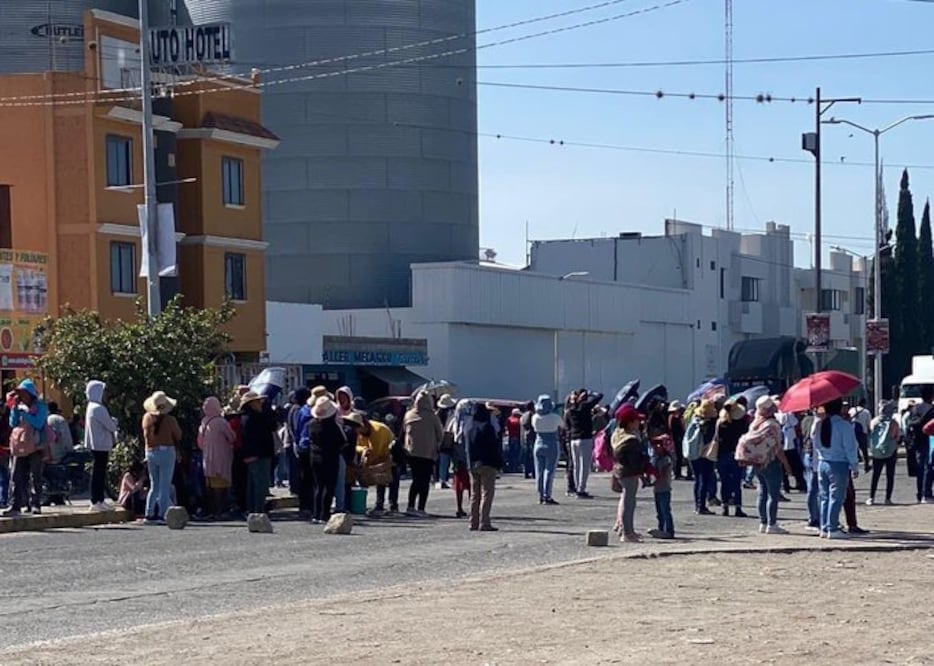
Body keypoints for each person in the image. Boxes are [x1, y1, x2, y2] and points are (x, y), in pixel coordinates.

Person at [741, 396, 793, 534]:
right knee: (773, 494)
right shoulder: (772, 425)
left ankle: (763, 522)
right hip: (771, 461)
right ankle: (772, 524)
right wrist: (786, 464)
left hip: (757, 461)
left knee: (762, 492)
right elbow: (777, 448)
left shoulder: (754, 423)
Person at [3, 379, 49, 516]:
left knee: (35, 476)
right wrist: (14, 410)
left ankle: (35, 504)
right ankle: (15, 505)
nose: (21, 396)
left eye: (24, 393)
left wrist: (25, 414)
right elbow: (13, 423)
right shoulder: (19, 405)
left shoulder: (40, 406)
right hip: (20, 446)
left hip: (35, 445)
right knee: (16, 475)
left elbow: (39, 423)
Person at [815, 398, 860, 539]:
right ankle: (833, 527)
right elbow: (850, 447)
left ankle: (824, 526)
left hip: (822, 462)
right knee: (837, 497)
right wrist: (854, 465)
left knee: (824, 497)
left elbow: (816, 444)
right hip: (838, 463)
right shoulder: (844, 425)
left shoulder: (820, 424)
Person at [303, 396, 347, 524]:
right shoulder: (333, 426)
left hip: (314, 457)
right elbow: (343, 441)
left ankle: (316, 514)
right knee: (329, 486)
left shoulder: (311, 425)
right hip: (330, 457)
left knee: (318, 486)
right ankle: (325, 514)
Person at [141, 391, 182, 524]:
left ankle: (149, 512)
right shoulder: (170, 420)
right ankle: (162, 513)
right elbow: (178, 435)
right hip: (167, 452)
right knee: (165, 485)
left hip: (151, 452)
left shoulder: (146, 418)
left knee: (154, 485)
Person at [344, 411, 394, 517]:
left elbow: (376, 453)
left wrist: (365, 469)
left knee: (383, 478)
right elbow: (357, 446)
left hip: (386, 452)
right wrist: (363, 450)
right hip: (371, 451)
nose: (355, 430)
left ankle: (382, 505)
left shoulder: (377, 431)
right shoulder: (359, 432)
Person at [611, 404, 647, 543]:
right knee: (629, 502)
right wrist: (643, 469)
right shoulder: (631, 440)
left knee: (627, 500)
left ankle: (628, 530)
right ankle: (627, 533)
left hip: (620, 470)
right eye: (637, 420)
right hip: (629, 472)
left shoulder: (617, 434)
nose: (639, 422)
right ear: (630, 422)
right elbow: (635, 460)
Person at [403, 392, 442, 517]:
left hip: (412, 452)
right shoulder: (432, 416)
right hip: (427, 453)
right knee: (424, 481)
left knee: (415, 480)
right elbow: (440, 434)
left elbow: (404, 430)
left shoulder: (409, 415)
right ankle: (421, 508)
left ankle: (410, 506)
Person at [197, 396, 237, 519]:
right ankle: (220, 511)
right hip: (221, 457)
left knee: (210, 485)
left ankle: (212, 510)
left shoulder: (204, 422)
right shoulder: (221, 422)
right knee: (220, 485)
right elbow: (231, 437)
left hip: (207, 457)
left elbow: (199, 442)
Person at [466, 403, 503, 532]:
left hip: (473, 464)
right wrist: (498, 463)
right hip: (487, 463)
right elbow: (493, 447)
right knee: (487, 493)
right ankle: (485, 521)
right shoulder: (488, 428)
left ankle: (473, 522)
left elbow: (468, 449)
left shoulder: (470, 429)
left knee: (475, 495)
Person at [564, 388, 604, 499]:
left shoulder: (570, 409)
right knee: (584, 465)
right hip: (585, 438)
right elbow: (599, 395)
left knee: (576, 465)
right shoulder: (585, 407)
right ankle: (581, 489)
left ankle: (577, 488)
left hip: (573, 439)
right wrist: (591, 392)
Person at [84, 380, 118, 512]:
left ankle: (99, 499)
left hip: (96, 444)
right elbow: (111, 425)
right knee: (99, 473)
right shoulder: (98, 408)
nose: (106, 395)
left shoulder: (91, 406)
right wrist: (114, 421)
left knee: (99, 473)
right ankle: (96, 500)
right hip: (101, 444)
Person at [716, 400, 748, 518]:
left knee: (725, 482)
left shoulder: (721, 423)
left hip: (722, 454)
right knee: (736, 482)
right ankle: (738, 507)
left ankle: (725, 506)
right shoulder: (740, 424)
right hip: (736, 454)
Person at [687, 399, 718, 515]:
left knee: (697, 480)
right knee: (704, 480)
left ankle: (697, 505)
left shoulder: (694, 421)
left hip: (694, 453)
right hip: (706, 454)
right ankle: (702, 506)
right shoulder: (710, 424)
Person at [867, 401, 900, 506]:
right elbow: (897, 436)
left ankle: (871, 497)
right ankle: (888, 498)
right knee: (890, 475)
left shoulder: (874, 421)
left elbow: (870, 434)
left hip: (877, 451)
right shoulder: (894, 422)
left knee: (875, 475)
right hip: (891, 451)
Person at [531, 394, 562, 505]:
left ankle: (540, 494)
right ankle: (547, 495)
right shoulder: (555, 417)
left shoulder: (535, 417)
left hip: (538, 442)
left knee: (539, 470)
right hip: (551, 442)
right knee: (549, 470)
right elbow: (562, 426)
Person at [906, 386, 934, 503]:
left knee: (920, 468)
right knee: (929, 467)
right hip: (929, 440)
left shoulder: (915, 409)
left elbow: (908, 424)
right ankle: (926, 493)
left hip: (916, 441)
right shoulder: (932, 409)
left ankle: (919, 493)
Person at [649, 434, 675, 539]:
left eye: (658, 445)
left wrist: (652, 481)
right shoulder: (655, 458)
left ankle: (669, 530)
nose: (655, 448)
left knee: (665, 510)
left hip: (664, 488)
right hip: (657, 489)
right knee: (659, 512)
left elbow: (662, 474)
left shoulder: (666, 459)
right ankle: (661, 528)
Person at [334, 386, 355, 512]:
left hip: (352, 449)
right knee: (340, 479)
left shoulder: (354, 413)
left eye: (344, 398)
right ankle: (340, 505)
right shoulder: (335, 411)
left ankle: (348, 504)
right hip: (340, 449)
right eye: (340, 398)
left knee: (349, 479)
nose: (342, 400)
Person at [435, 394, 456, 489]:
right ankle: (452, 479)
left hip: (439, 438)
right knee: (453, 459)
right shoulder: (452, 414)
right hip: (450, 436)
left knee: (442, 460)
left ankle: (441, 479)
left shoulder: (437, 414)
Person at [849, 398, 873, 473]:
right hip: (862, 433)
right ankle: (866, 466)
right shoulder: (866, 412)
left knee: (853, 451)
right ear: (864, 404)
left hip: (852, 433)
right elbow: (869, 424)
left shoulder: (851, 410)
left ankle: (853, 468)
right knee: (864, 450)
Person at [667, 401, 688, 480]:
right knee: (677, 456)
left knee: (677, 456)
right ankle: (677, 473)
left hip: (676, 439)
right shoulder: (674, 418)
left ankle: (677, 472)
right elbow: (676, 430)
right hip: (676, 439)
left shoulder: (671, 417)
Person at [520, 401, 536, 480]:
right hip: (531, 436)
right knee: (533, 456)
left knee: (526, 455)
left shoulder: (523, 415)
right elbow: (532, 425)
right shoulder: (531, 414)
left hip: (525, 436)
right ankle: (533, 472)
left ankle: (526, 472)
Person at [505, 408, 522, 475]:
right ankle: (515, 467)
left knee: (511, 453)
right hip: (516, 438)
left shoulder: (508, 419)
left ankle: (511, 467)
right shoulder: (518, 420)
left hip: (511, 437)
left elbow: (507, 428)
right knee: (516, 453)